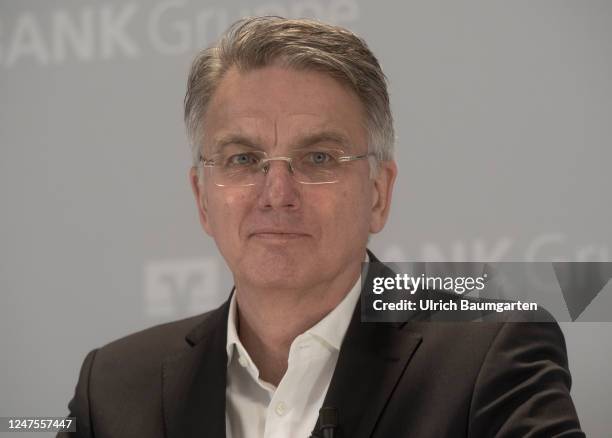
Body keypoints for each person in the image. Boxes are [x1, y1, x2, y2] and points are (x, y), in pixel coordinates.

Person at [59, 16, 584, 438]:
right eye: (243, 159)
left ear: (378, 193)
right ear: (202, 198)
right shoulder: (112, 387)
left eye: (318, 157)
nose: (277, 194)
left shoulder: (490, 352)